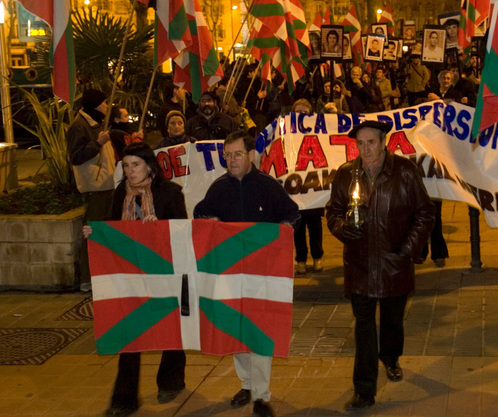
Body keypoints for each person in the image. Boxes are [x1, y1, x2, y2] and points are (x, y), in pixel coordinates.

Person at [326, 121, 435, 411]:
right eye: (360, 144)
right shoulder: (346, 174)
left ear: (384, 142)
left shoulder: (405, 172)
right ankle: (364, 390)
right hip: (359, 265)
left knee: (391, 320)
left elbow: (425, 214)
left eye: (370, 142)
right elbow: (333, 211)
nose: (365, 149)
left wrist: (406, 251)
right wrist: (341, 229)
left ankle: (390, 357)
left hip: (394, 263)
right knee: (363, 327)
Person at [194, 131, 299, 417]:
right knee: (236, 329)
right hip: (229, 275)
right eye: (227, 155)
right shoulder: (218, 188)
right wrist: (208, 220)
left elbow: (293, 214)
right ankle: (247, 383)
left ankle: (262, 396)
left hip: (262, 275)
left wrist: (287, 227)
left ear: (251, 154)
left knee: (259, 331)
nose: (232, 160)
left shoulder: (269, 186)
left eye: (237, 154)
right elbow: (200, 212)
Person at [83, 143, 187, 417]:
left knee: (170, 328)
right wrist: (95, 233)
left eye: (135, 165)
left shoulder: (170, 193)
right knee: (129, 332)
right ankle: (124, 398)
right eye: (126, 166)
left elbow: (182, 232)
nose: (130, 171)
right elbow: (112, 227)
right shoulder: (121, 192)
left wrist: (160, 232)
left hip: (163, 273)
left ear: (150, 166)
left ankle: (171, 380)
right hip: (130, 275)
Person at [67, 88, 117, 292]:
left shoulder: (95, 123)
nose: (107, 106)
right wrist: (97, 143)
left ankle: (102, 273)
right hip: (94, 187)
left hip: (106, 184)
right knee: (92, 232)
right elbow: (76, 156)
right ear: (96, 105)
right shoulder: (79, 127)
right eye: (105, 103)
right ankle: (87, 278)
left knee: (105, 232)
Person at [290, 99, 325, 275]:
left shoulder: (318, 133)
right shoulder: (286, 135)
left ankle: (318, 257)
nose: (301, 116)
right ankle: (301, 260)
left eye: (305, 112)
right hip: (296, 189)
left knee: (315, 226)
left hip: (313, 187)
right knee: (298, 228)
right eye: (298, 112)